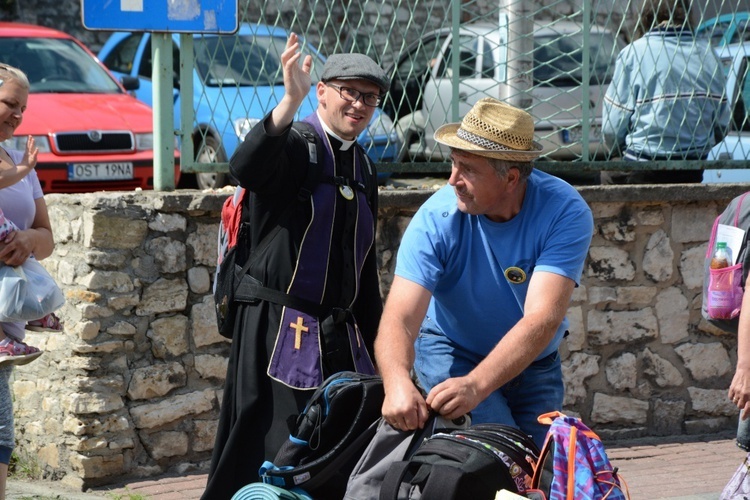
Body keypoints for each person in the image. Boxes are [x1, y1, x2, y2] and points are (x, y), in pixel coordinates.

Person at [203, 34, 387, 499]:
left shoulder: (364, 168)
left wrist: (384, 352)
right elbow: (247, 167)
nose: (360, 104)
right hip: (274, 330)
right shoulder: (297, 145)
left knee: (332, 450)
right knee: (264, 447)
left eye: (370, 96)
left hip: (337, 337)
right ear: (322, 90)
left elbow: (362, 272)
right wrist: (289, 100)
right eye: (350, 91)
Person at [374, 97, 593, 448]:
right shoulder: (436, 219)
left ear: (510, 178)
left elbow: (542, 319)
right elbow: (400, 316)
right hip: (452, 351)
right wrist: (397, 379)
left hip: (533, 363)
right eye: (453, 164)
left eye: (468, 169)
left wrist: (478, 385)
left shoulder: (564, 211)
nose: (452, 180)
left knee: (544, 473)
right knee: (499, 458)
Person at [0, 63, 56, 500]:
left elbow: (47, 236)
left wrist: (26, 240)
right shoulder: (17, 167)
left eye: (22, 108)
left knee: (1, 434)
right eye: (9, 104)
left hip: (7, 317)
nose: (17, 116)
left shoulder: (21, 158)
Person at [601, 0, 730, 184]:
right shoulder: (707, 54)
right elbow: (722, 123)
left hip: (642, 165)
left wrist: (620, 149)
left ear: (646, 16)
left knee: (607, 176)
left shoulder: (634, 53)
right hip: (691, 168)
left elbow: (612, 127)